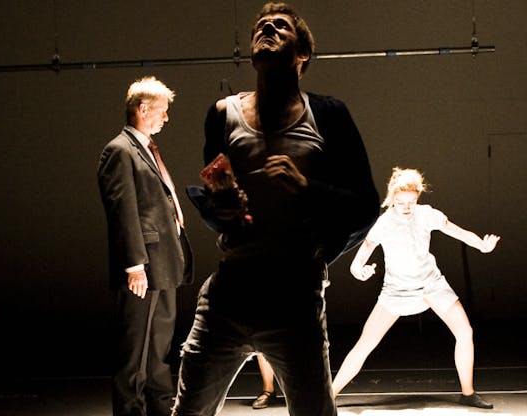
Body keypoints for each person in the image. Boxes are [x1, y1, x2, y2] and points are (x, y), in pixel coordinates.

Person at [172, 3, 379, 415]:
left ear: (302, 54)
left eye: (280, 26)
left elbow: (365, 205)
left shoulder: (328, 114)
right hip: (229, 292)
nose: (266, 28)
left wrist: (308, 189)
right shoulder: (222, 114)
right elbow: (219, 198)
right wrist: (222, 211)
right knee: (189, 410)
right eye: (260, 27)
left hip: (294, 296)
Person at [331, 167, 499, 410]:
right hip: (396, 290)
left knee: (465, 331)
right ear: (392, 199)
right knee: (366, 342)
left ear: (418, 197)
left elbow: (457, 231)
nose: (407, 207)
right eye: (400, 203)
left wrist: (481, 245)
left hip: (431, 284)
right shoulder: (383, 223)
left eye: (411, 201)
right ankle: (329, 394)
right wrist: (360, 271)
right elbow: (358, 261)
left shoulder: (427, 214)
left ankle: (468, 393)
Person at [97, 76, 194, 416]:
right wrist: (133, 264)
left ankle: (159, 405)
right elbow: (123, 211)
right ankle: (130, 410)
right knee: (135, 346)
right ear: (142, 109)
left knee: (159, 344)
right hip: (144, 266)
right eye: (162, 111)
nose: (166, 118)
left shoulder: (146, 148)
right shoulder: (119, 150)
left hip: (163, 263)